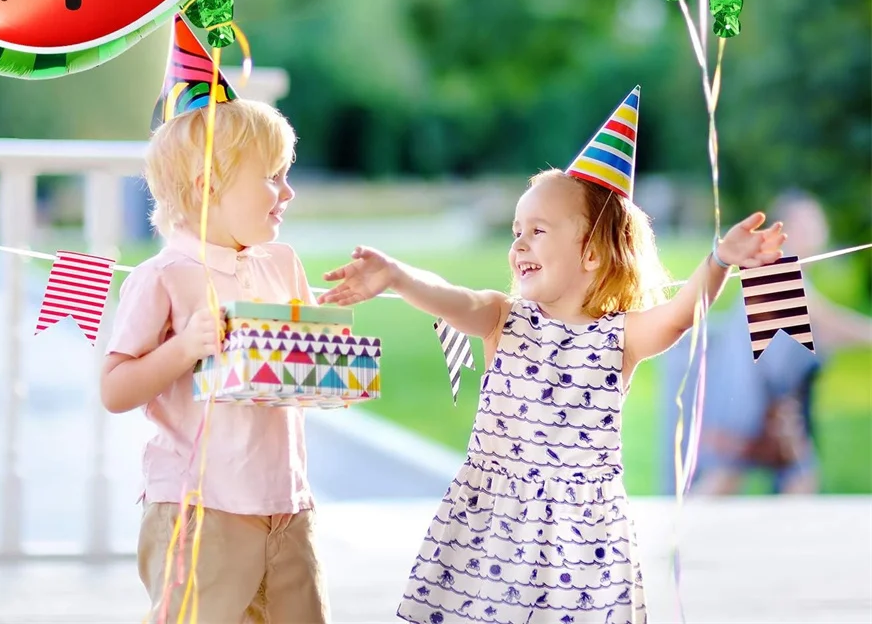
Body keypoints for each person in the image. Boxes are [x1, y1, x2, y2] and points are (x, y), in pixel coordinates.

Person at [321, 88, 785, 624]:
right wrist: (399, 277)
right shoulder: (502, 317)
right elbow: (454, 298)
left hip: (580, 541)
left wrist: (719, 260)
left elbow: (680, 315)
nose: (518, 244)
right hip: (492, 530)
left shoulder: (620, 337)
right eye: (517, 232)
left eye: (537, 232)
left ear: (591, 251)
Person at [100, 93, 329, 623]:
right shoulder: (164, 275)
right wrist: (184, 347)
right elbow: (115, 389)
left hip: (285, 501)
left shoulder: (282, 262)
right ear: (208, 190)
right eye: (273, 176)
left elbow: (308, 373)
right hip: (201, 506)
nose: (288, 191)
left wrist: (328, 346)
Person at [691, 190, 872, 496]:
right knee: (727, 476)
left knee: (797, 476)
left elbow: (819, 336)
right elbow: (824, 322)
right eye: (804, 224)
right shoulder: (775, 267)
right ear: (782, 230)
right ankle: (679, 540)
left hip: (774, 401)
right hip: (746, 398)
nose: (814, 231)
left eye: (816, 223)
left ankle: (789, 541)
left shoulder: (791, 271)